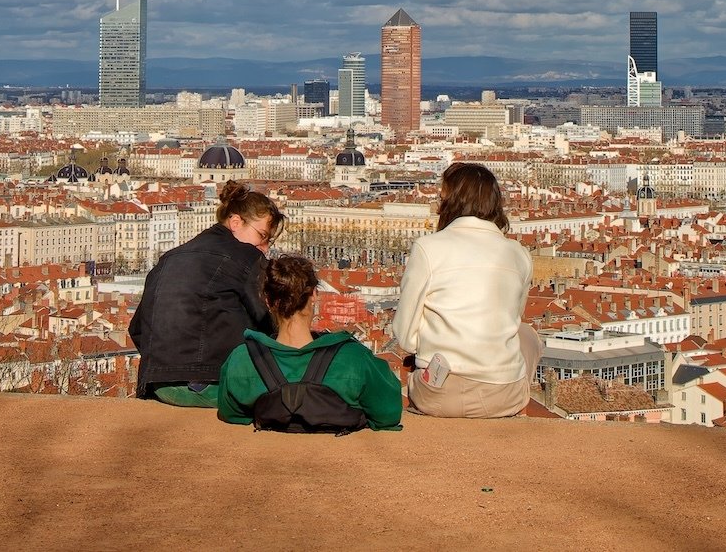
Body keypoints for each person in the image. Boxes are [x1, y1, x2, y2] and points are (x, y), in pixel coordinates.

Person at [392, 161, 539, 418]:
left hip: (439, 395)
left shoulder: (428, 247)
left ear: (452, 202)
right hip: (503, 397)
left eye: (441, 198)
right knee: (528, 335)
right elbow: (514, 321)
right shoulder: (520, 254)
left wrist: (430, 347)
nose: (438, 205)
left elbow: (405, 337)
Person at [129, 181, 284, 406]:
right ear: (235, 222)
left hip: (158, 385)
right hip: (211, 383)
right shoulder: (247, 258)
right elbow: (266, 324)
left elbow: (137, 328)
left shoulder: (170, 258)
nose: (265, 247)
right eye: (262, 236)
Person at [216, 254, 403, 430]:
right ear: (314, 294)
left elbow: (231, 413)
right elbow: (388, 414)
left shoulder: (242, 359)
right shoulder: (354, 359)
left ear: (268, 301)